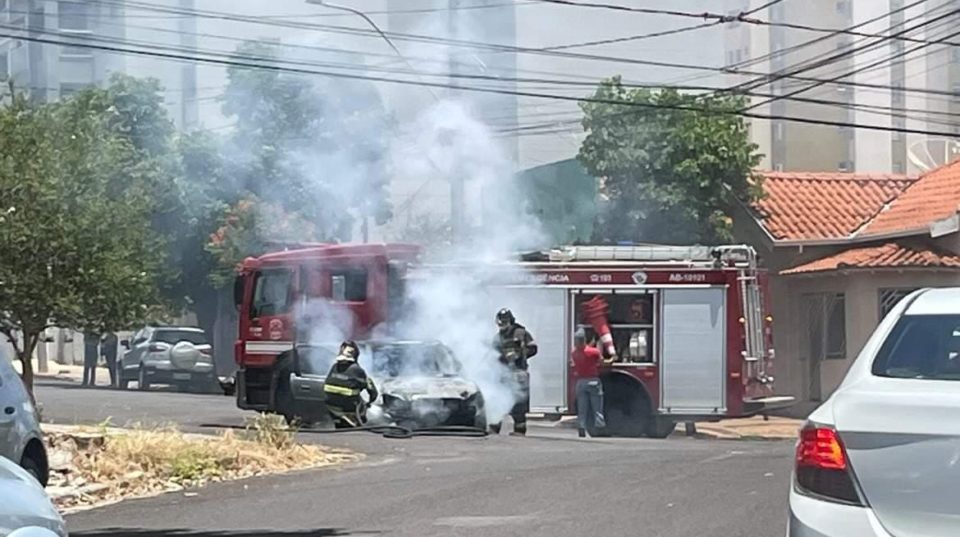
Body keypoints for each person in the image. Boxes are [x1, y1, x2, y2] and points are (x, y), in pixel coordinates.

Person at [492, 308, 538, 436]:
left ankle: (519, 431)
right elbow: (492, 353)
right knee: (498, 401)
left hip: (518, 373)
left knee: (519, 404)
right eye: (500, 323)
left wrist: (520, 355)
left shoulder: (521, 333)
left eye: (505, 322)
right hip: (503, 374)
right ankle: (494, 430)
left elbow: (533, 348)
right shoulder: (498, 337)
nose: (502, 325)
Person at [322, 341, 379, 428]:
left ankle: (342, 421)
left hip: (330, 405)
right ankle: (357, 421)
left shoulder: (334, 366)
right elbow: (371, 389)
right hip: (347, 406)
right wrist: (370, 401)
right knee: (361, 404)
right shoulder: (356, 369)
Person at [570, 328, 612, 438]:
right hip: (593, 381)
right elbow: (603, 362)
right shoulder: (594, 351)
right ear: (584, 339)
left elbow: (584, 352)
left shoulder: (574, 353)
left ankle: (581, 427)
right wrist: (612, 359)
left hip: (581, 383)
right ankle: (600, 427)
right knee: (597, 407)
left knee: (582, 407)